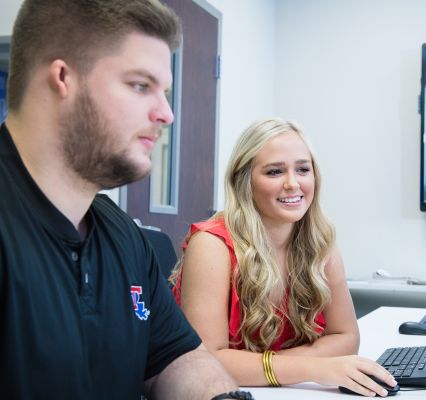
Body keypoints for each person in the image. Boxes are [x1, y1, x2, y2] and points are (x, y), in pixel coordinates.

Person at [0, 1, 252, 399]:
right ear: (64, 77)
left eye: (164, 92)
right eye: (140, 85)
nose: (167, 114)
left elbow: (175, 357)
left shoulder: (122, 234)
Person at [171, 117, 398, 397]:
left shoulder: (320, 242)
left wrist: (271, 367)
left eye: (303, 169)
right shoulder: (212, 244)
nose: (293, 183)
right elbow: (206, 360)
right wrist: (315, 368)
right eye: (275, 172)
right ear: (245, 181)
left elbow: (347, 339)